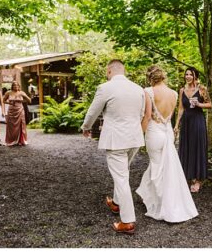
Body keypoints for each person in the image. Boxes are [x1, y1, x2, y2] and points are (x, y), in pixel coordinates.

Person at [81, 59, 145, 234]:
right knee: (123, 173)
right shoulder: (138, 89)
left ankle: (127, 221)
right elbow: (141, 114)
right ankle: (116, 204)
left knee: (121, 178)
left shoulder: (105, 88)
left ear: (109, 71)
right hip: (134, 138)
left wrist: (86, 127)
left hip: (116, 140)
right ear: (123, 71)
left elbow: (93, 111)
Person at [134, 65, 198, 223]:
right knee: (166, 167)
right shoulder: (175, 93)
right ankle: (151, 196)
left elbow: (147, 117)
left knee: (157, 167)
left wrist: (137, 135)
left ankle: (162, 204)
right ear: (163, 77)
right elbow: (170, 115)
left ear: (151, 78)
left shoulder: (148, 91)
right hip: (167, 132)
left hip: (154, 133)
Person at [175, 67, 211, 192]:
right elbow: (180, 108)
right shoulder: (182, 90)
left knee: (197, 147)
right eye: (186, 74)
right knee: (186, 147)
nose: (188, 76)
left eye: (190, 74)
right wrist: (176, 125)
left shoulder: (201, 89)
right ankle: (188, 177)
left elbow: (209, 104)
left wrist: (200, 104)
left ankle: (198, 180)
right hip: (186, 121)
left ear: (195, 76)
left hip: (197, 121)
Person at [2, 82, 30, 147]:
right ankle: (12, 140)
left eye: (17, 85)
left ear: (19, 86)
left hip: (20, 109)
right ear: (12, 86)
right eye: (14, 85)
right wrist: (10, 103)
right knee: (11, 126)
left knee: (21, 124)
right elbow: (4, 101)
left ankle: (21, 140)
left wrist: (23, 100)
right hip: (11, 110)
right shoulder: (8, 92)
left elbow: (29, 100)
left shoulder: (22, 92)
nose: (15, 86)